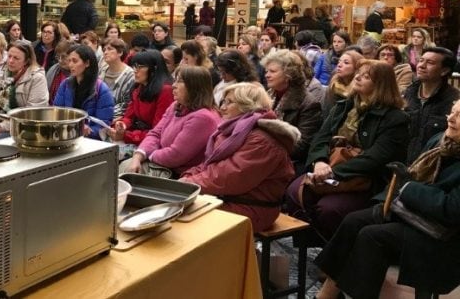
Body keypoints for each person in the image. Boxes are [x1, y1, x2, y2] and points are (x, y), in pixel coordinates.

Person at [314, 100, 460, 299]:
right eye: (451, 112)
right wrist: (398, 194)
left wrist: (410, 189)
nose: (450, 118)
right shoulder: (440, 141)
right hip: (414, 213)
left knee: (372, 237)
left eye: (459, 116)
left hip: (442, 235)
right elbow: (411, 173)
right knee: (353, 221)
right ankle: (325, 296)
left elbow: (452, 209)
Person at [286, 60, 409, 240]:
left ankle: (331, 251)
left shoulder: (395, 118)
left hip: (364, 178)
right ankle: (307, 245)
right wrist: (319, 162)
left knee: (329, 210)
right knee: (294, 192)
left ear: (381, 85)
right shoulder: (344, 106)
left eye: (366, 76)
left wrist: (332, 172)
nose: (357, 77)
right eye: (358, 72)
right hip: (329, 166)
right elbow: (321, 137)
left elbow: (375, 158)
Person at [182, 82, 300, 232]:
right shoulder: (235, 130)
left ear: (248, 105)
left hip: (252, 208)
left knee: (187, 220)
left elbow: (230, 176)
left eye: (229, 102)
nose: (222, 107)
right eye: (223, 102)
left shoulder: (262, 140)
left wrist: (188, 183)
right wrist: (187, 177)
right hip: (228, 198)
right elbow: (209, 165)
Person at [121, 66, 219, 178]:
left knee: (126, 172)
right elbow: (155, 133)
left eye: (180, 81)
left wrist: (149, 154)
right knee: (125, 165)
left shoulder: (203, 118)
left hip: (179, 174)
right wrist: (139, 155)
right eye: (175, 80)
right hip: (160, 161)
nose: (173, 85)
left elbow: (175, 156)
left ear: (194, 87)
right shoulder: (176, 106)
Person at [262, 49, 322, 170]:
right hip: (264, 154)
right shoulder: (267, 96)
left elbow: (301, 146)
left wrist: (263, 149)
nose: (267, 75)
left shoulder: (309, 104)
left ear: (288, 75)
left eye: (272, 71)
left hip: (288, 163)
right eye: (266, 71)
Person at [402, 46, 460, 163]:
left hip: (431, 166)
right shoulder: (407, 94)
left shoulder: (454, 102)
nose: (421, 66)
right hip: (401, 162)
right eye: (421, 60)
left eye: (430, 63)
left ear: (444, 70)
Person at [0, 40, 50, 140]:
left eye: (16, 58)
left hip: (24, 126)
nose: (11, 61)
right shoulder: (2, 74)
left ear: (26, 61)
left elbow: (32, 113)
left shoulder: (37, 78)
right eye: (9, 56)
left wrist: (2, 128)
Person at [108, 50, 174, 146]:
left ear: (154, 69)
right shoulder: (139, 87)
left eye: (140, 67)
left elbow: (158, 131)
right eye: (134, 66)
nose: (135, 70)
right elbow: (129, 116)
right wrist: (122, 125)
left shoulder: (166, 91)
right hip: (139, 135)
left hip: (154, 142)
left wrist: (126, 136)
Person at [53, 45, 114, 139]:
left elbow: (104, 126)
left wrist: (89, 130)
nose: (70, 65)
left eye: (75, 61)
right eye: (69, 61)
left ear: (87, 63)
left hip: (91, 142)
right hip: (65, 136)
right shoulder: (65, 84)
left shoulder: (101, 89)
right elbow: (56, 112)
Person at [98, 38, 135, 119]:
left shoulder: (130, 75)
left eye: (110, 49)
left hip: (117, 119)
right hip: (98, 115)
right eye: (104, 50)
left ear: (120, 52)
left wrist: (103, 116)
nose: (105, 52)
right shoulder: (102, 70)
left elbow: (126, 104)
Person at [323, 49, 364, 119]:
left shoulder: (362, 90)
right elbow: (327, 115)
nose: (339, 65)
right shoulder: (333, 86)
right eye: (339, 61)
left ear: (356, 68)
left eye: (346, 63)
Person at [46, 39, 77, 105]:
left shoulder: (78, 74)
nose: (60, 60)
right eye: (58, 57)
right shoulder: (53, 70)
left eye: (63, 57)